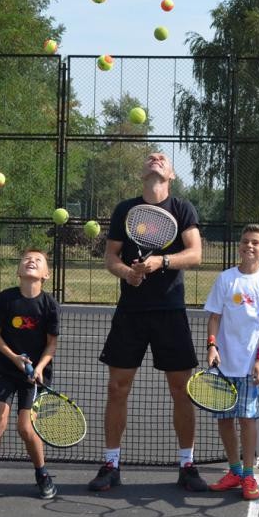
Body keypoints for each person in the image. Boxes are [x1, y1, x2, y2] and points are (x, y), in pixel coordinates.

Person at [89, 151, 206, 492]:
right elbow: (111, 256)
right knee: (116, 389)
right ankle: (111, 464)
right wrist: (128, 272)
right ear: (143, 173)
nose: (155, 158)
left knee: (181, 390)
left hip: (171, 312)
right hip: (131, 313)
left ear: (170, 174)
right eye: (150, 157)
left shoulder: (182, 209)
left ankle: (187, 465)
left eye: (162, 158)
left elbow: (196, 254)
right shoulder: (125, 210)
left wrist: (162, 262)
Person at [0, 248, 61, 506]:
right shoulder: (6, 299)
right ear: (18, 271)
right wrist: (14, 358)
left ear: (46, 274)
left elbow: (51, 345)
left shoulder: (49, 305)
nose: (31, 261)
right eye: (26, 259)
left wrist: (41, 366)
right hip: (6, 370)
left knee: (25, 428)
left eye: (38, 260)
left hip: (34, 377)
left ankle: (42, 474)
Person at [203, 224, 259, 501]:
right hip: (223, 366)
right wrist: (212, 346)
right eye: (245, 241)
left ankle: (248, 475)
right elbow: (214, 316)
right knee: (224, 419)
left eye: (255, 243)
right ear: (240, 245)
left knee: (247, 420)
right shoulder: (225, 279)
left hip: (249, 366)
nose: (249, 246)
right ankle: (234, 470)